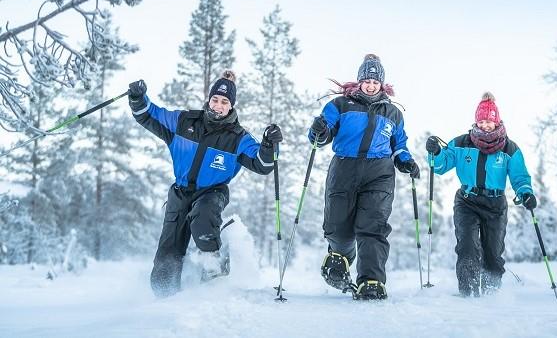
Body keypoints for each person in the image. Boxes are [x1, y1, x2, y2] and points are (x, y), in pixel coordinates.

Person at [127, 71, 283, 297]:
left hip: (212, 193)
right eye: (215, 100)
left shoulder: (238, 138)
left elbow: (263, 164)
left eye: (224, 102)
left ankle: (214, 274)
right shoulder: (184, 122)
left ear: (231, 106)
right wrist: (138, 98)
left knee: (203, 219)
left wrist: (269, 145)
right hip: (180, 194)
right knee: (164, 266)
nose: (218, 105)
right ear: (209, 100)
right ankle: (165, 304)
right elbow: (148, 115)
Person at [308, 54, 419, 300]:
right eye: (367, 80)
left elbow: (399, 144)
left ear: (382, 84)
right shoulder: (340, 105)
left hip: (379, 173)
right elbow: (321, 134)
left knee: (373, 227)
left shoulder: (393, 113)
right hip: (344, 168)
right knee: (338, 227)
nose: (371, 85)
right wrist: (318, 130)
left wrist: (406, 161)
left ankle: (371, 280)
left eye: (375, 81)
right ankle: (341, 257)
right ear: (359, 81)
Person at [426, 92, 536, 297]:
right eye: (482, 121)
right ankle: (468, 293)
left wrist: (525, 193)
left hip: (495, 205)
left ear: (497, 121)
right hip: (467, 201)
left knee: (493, 254)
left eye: (490, 121)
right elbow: (439, 166)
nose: (486, 125)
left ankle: (491, 294)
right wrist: (436, 152)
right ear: (477, 121)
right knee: (467, 246)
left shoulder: (509, 149)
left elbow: (520, 177)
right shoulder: (461, 143)